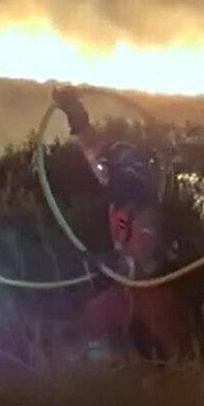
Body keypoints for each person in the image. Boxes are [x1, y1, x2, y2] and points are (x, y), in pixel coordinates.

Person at [51, 86, 192, 360]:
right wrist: (75, 113)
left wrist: (105, 260)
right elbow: (91, 150)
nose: (109, 173)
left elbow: (143, 255)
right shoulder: (121, 191)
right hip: (127, 288)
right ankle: (106, 384)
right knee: (93, 324)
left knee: (173, 345)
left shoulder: (147, 207)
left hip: (150, 290)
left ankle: (188, 383)